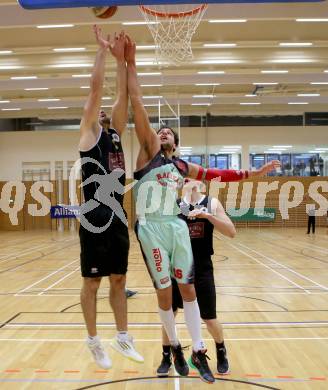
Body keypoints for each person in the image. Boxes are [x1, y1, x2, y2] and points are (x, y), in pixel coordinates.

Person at [125, 34, 280, 383]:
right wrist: (130, 64)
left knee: (189, 291)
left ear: (176, 144)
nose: (162, 133)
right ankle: (175, 347)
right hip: (151, 226)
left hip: (176, 227)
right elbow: (138, 103)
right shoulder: (146, 154)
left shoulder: (182, 167)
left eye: (168, 132)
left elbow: (217, 173)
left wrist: (252, 172)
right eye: (159, 130)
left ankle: (198, 349)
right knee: (165, 296)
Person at [78, 26, 143, 369]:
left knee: (119, 279)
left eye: (105, 111)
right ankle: (93, 341)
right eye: (98, 110)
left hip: (116, 216)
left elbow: (121, 96)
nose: (103, 111)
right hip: (93, 218)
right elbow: (97, 89)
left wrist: (123, 61)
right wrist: (103, 51)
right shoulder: (89, 135)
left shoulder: (116, 135)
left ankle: (122, 337)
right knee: (92, 281)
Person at [157, 180, 235, 377]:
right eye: (186, 179)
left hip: (202, 268)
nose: (190, 182)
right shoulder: (174, 205)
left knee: (209, 317)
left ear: (201, 183)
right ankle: (167, 356)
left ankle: (221, 350)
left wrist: (207, 216)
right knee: (171, 313)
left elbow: (231, 231)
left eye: (194, 179)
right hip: (177, 268)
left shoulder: (211, 203)